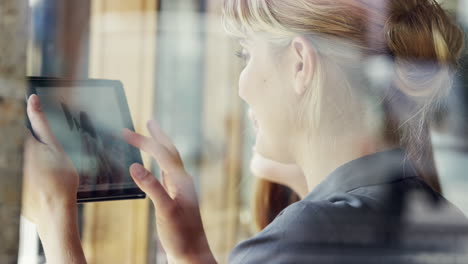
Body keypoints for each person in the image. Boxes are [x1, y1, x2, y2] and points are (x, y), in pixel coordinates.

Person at [22, 0, 468, 263]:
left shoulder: (309, 236)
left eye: (245, 55)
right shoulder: (442, 218)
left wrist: (54, 219)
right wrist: (196, 253)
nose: (242, 84)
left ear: (299, 63)